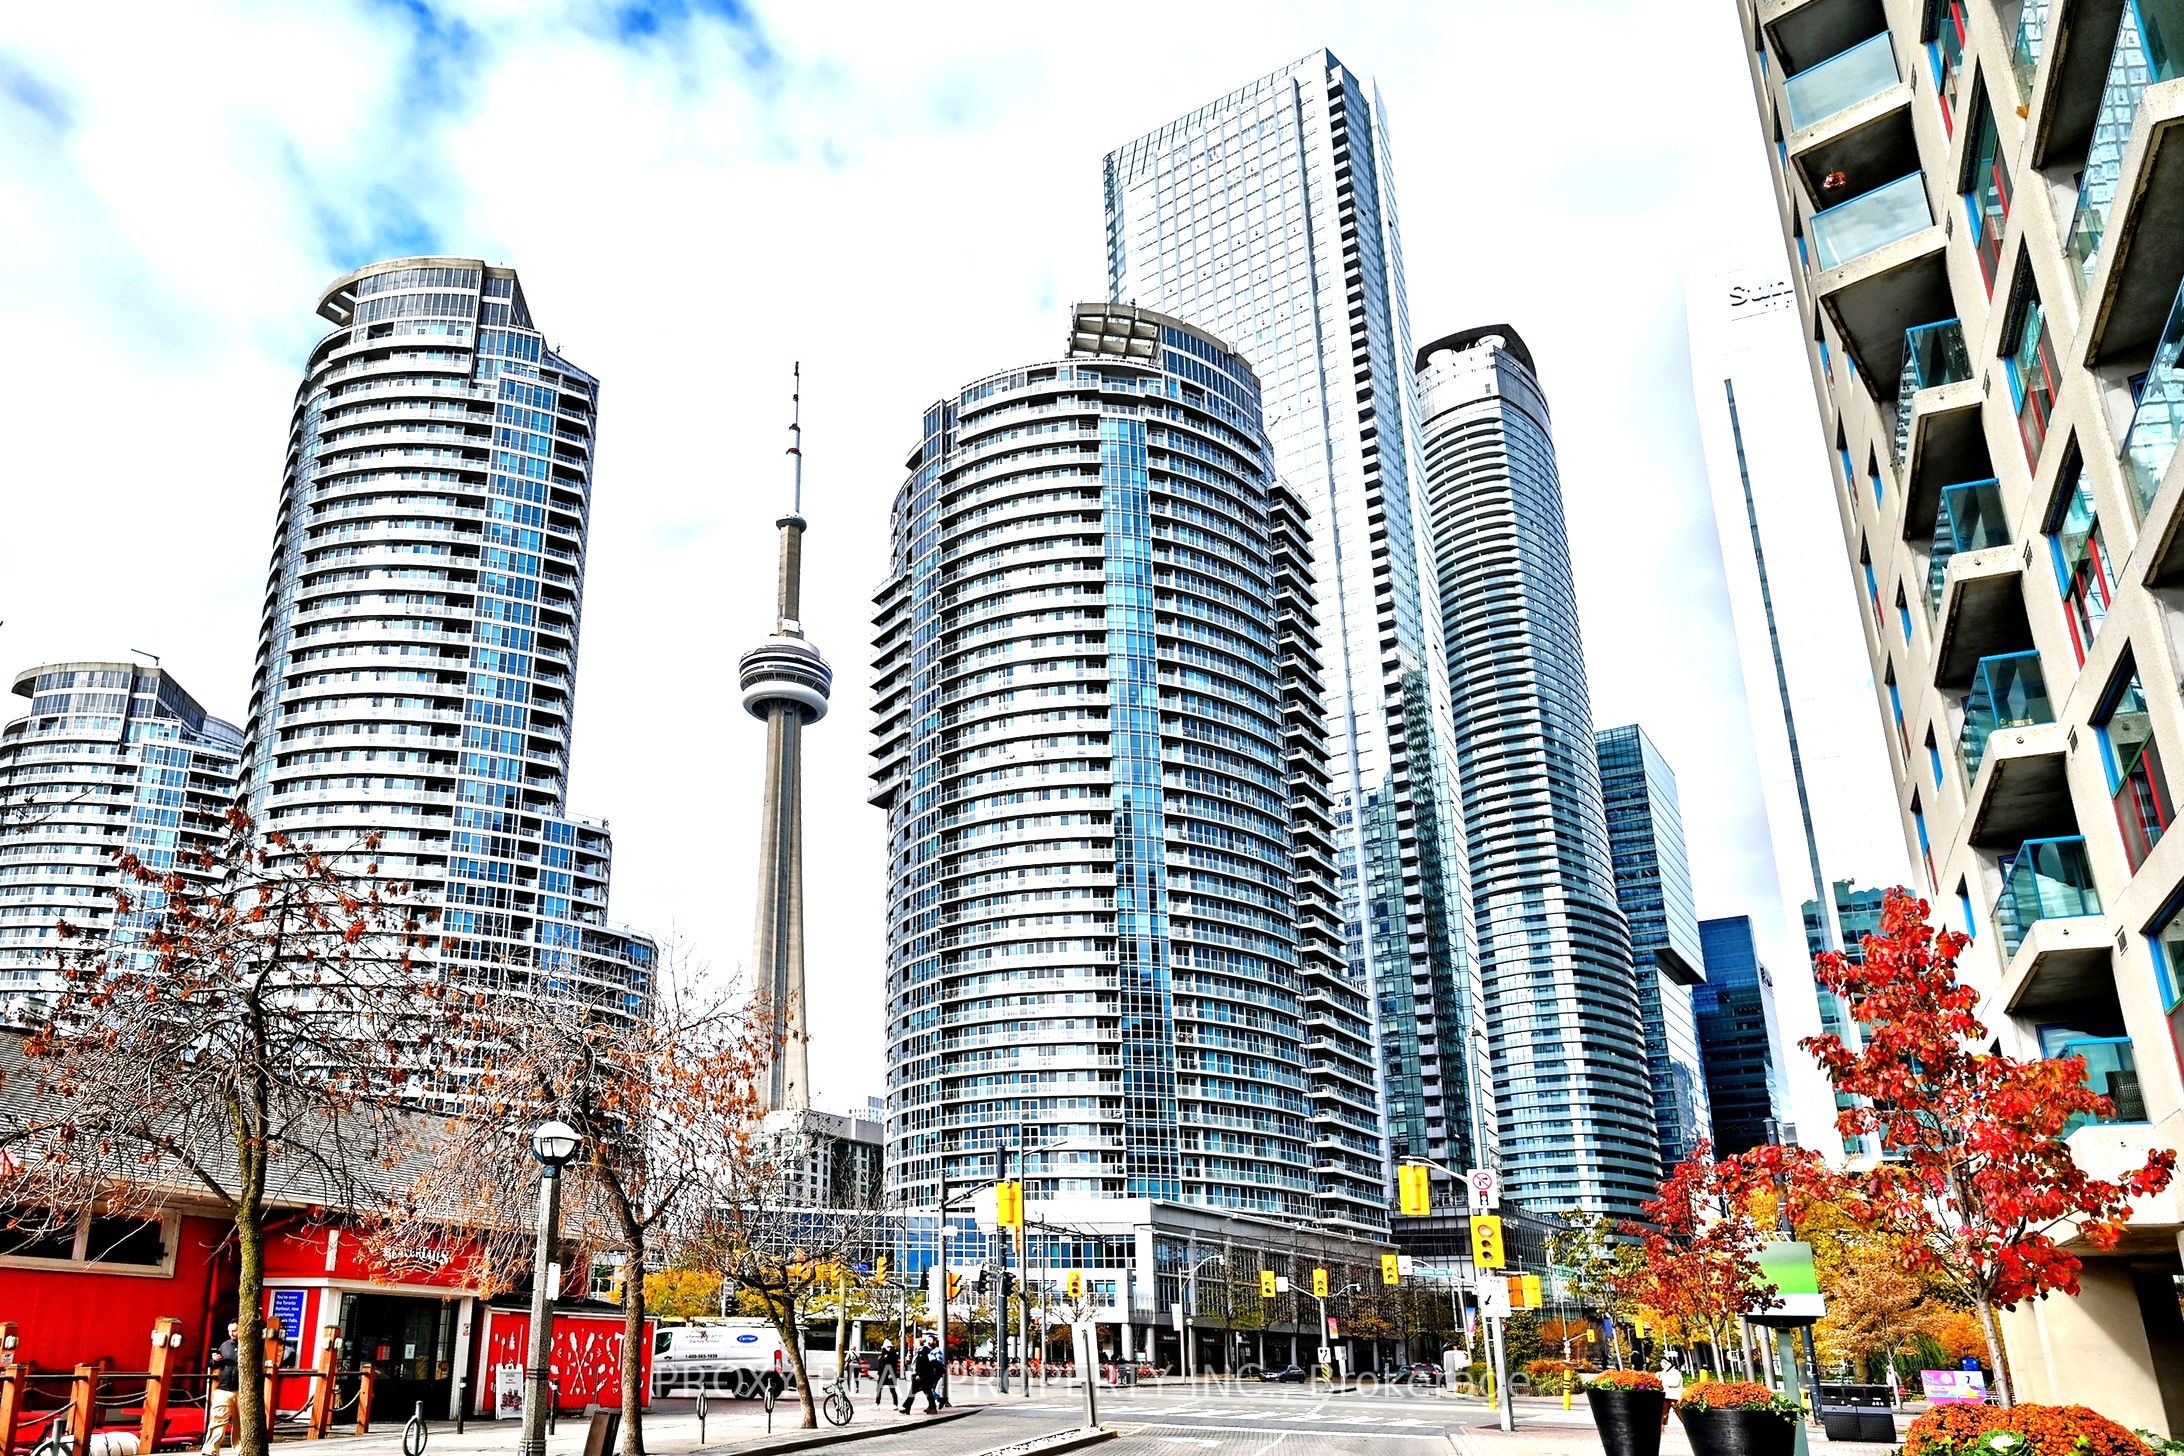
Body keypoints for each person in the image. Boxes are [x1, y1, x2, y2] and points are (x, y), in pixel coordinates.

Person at [201, 1322, 241, 1455]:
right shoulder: (225, 1345)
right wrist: (215, 1360)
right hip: (223, 1387)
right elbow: (213, 1364)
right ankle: (210, 1450)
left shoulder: (250, 1345)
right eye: (230, 1331)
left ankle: (241, 1449)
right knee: (217, 1420)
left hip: (241, 1389)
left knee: (241, 1422)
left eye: (234, 1330)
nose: (231, 1334)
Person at [1659, 1352, 1685, 1429]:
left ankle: (1687, 1424)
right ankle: (1662, 1426)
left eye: (1664, 1363)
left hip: (1674, 1395)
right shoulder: (1664, 1372)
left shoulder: (1675, 1372)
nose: (1662, 1365)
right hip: (1666, 1395)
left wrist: (1664, 1382)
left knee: (1679, 1411)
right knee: (1663, 1411)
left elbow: (1675, 1383)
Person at [873, 1340, 899, 1408]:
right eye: (888, 1347)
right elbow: (881, 1365)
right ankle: (877, 1403)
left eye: (890, 1347)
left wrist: (892, 1374)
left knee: (892, 1390)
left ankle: (895, 1404)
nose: (889, 1348)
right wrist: (878, 1374)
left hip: (890, 1374)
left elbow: (894, 1366)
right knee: (879, 1389)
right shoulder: (882, 1355)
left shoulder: (893, 1355)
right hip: (882, 1374)